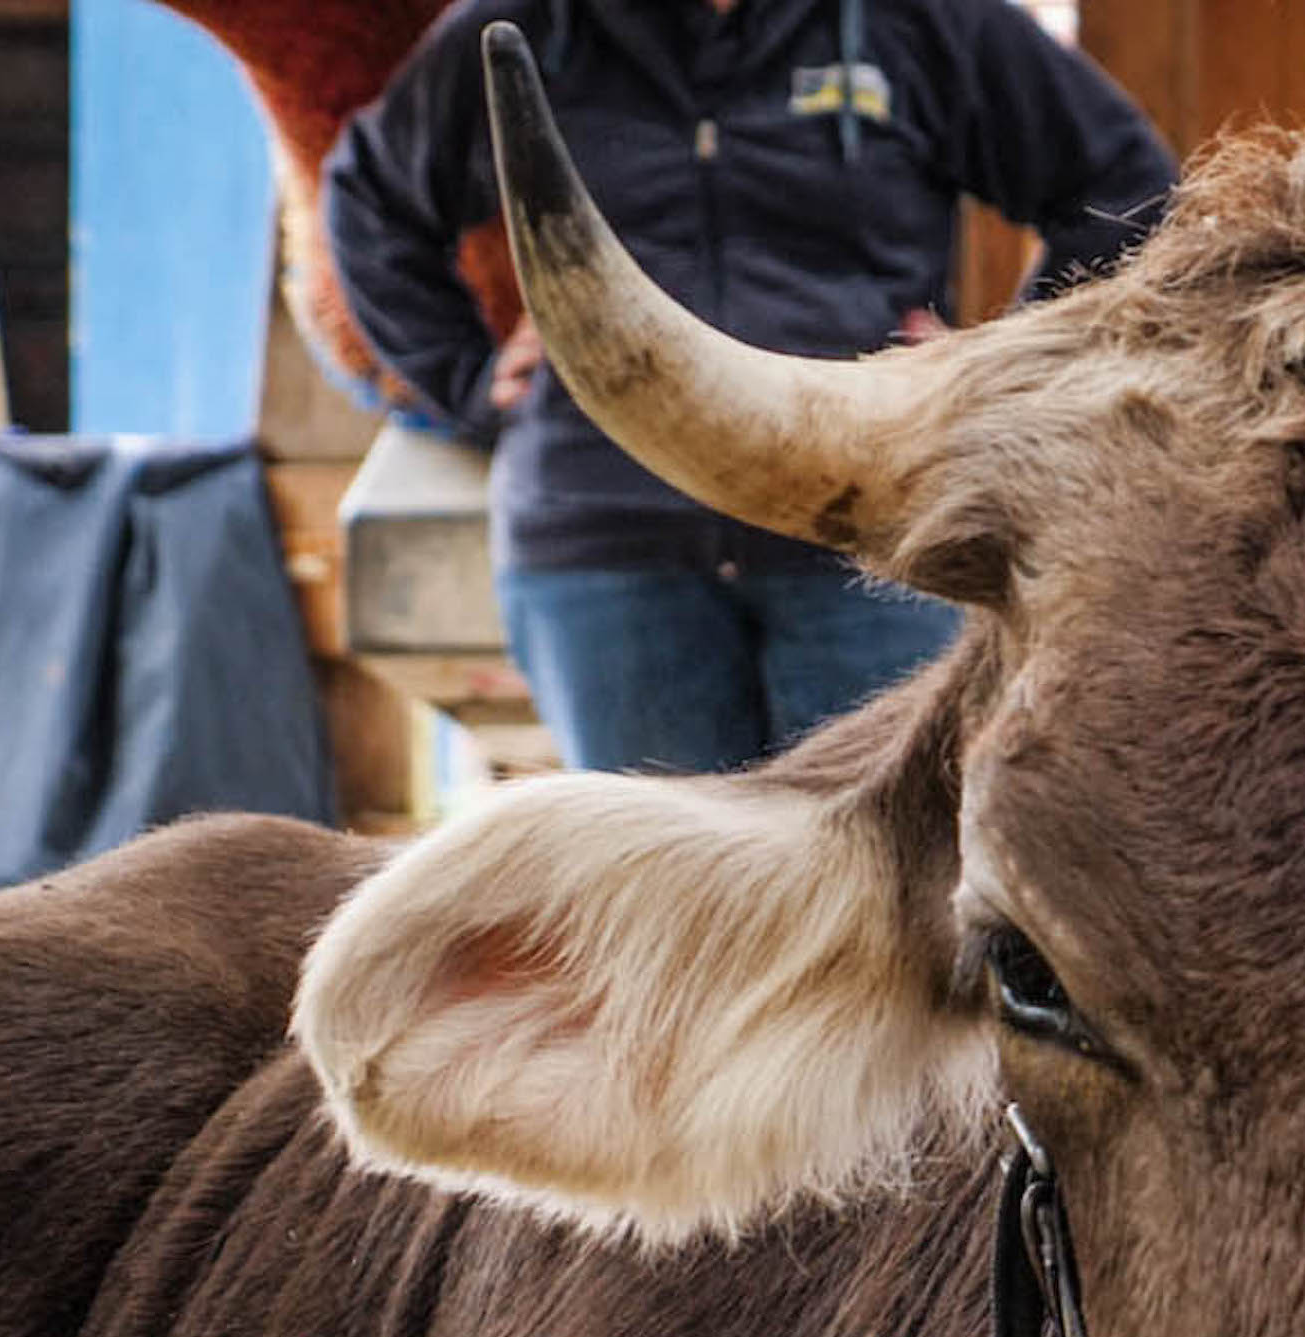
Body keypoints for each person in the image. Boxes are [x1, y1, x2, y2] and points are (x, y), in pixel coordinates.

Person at [320, 0, 1174, 772]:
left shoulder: (923, 21)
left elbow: (1127, 188)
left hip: (872, 539)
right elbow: (367, 196)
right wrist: (466, 381)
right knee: (659, 904)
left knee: (891, 897)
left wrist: (1001, 371)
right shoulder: (520, 28)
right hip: (608, 548)